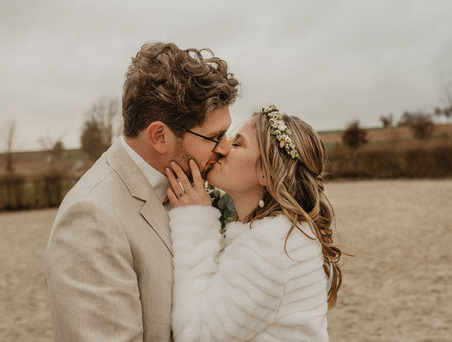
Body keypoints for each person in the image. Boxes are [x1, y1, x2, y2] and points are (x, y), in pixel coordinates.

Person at [44, 42, 239, 342]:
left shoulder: (195, 187)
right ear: (159, 136)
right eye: (214, 137)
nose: (225, 148)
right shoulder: (91, 217)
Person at [166, 105, 343, 342]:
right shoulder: (285, 234)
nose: (224, 147)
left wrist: (193, 221)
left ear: (266, 174)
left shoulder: (272, 247)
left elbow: (196, 334)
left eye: (238, 143)